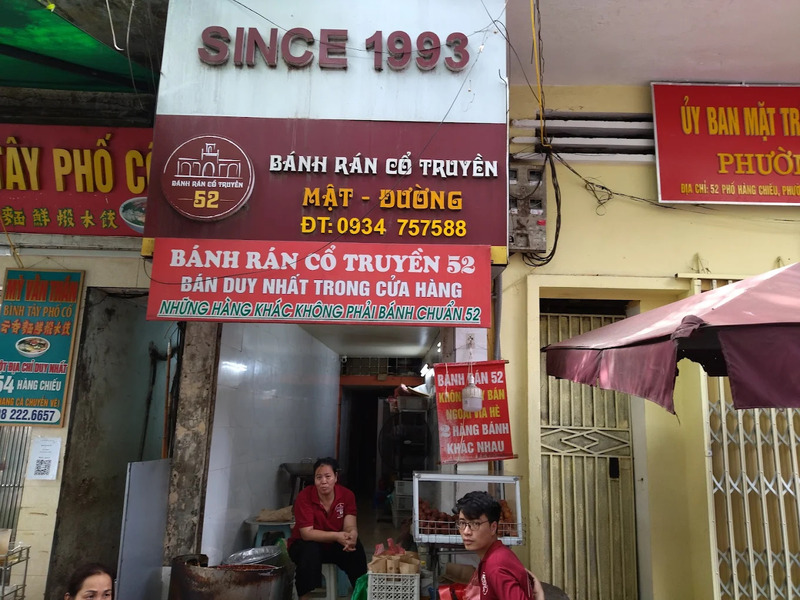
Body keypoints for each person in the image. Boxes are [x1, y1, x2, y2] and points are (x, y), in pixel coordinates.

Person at [288, 457, 367, 599]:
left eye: (328, 476)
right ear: (314, 479)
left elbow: (349, 525)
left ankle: (362, 594)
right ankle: (304, 597)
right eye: (319, 477)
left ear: (336, 477)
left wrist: (352, 535)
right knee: (309, 550)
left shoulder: (347, 495)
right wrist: (337, 536)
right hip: (303, 544)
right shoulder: (304, 497)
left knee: (356, 551)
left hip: (332, 546)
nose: (323, 481)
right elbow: (307, 534)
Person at [455, 491, 545, 600]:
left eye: (475, 524)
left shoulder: (496, 566)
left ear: (493, 527)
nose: (466, 531)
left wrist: (540, 596)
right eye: (462, 523)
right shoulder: (493, 556)